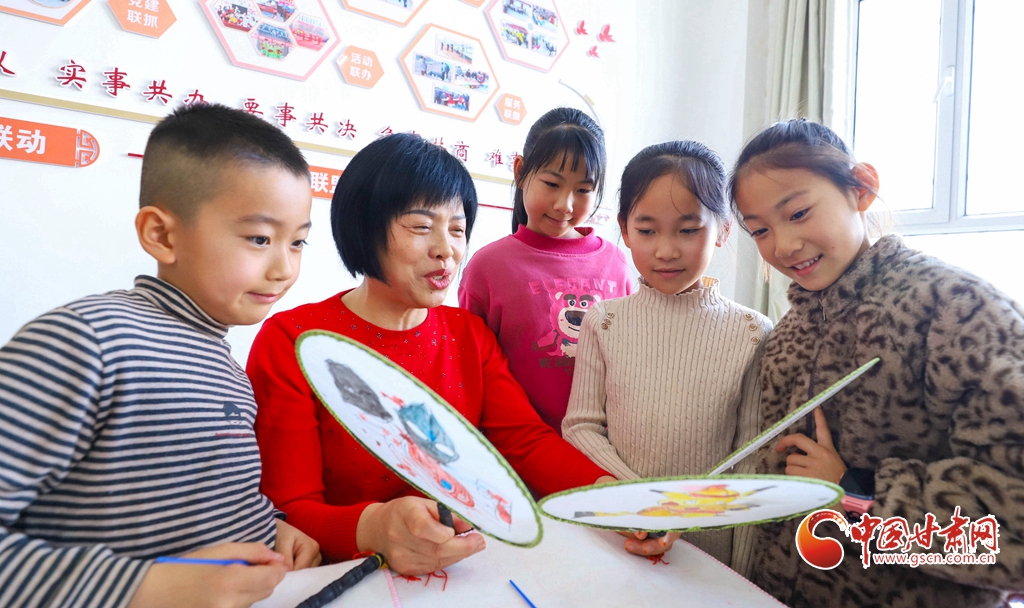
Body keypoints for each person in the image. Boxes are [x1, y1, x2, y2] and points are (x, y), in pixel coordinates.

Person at [247, 133, 614, 576]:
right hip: (348, 580)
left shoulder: (469, 335)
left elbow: (527, 443)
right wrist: (374, 527)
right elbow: (289, 509)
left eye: (457, 229)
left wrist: (616, 500)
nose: (446, 249)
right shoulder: (294, 340)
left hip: (459, 576)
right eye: (422, 227)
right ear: (365, 225)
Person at [0, 103, 321, 608]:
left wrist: (271, 529)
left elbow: (199, 506)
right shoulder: (87, 340)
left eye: (298, 242)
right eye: (259, 238)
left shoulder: (224, 365)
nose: (285, 268)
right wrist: (144, 587)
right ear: (162, 234)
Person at [730, 119, 1024, 607]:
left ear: (861, 187)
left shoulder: (957, 310)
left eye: (798, 213)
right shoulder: (784, 337)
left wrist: (855, 491)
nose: (783, 246)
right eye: (760, 230)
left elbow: (1013, 524)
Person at [562, 141, 770, 570]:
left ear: (723, 230)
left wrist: (742, 572)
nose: (666, 250)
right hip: (618, 530)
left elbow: (749, 459)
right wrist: (645, 500)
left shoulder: (753, 332)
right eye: (647, 230)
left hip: (708, 550)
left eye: (688, 230)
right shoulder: (604, 321)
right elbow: (580, 426)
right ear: (624, 230)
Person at [459, 108, 633, 433]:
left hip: (606, 450)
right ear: (521, 172)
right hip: (519, 450)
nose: (565, 204)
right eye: (552, 183)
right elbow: (470, 375)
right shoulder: (487, 268)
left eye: (583, 190)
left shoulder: (616, 264)